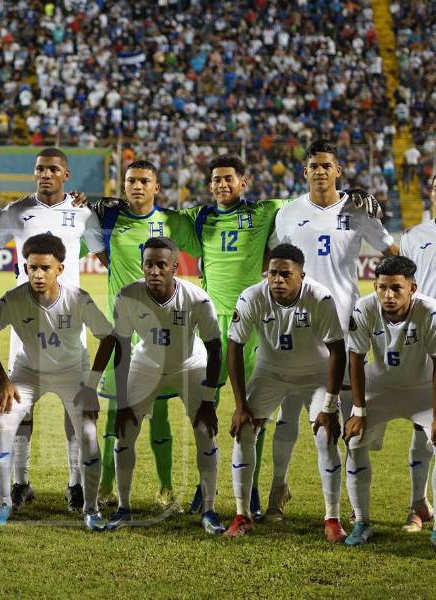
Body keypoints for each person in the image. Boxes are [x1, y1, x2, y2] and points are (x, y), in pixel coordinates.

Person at [267, 139, 397, 521]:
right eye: (314, 166)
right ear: (304, 172)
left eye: (327, 166)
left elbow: (393, 255)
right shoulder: (289, 213)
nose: (320, 172)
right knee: (288, 414)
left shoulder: (358, 211)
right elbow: (274, 262)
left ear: (338, 171)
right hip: (297, 326)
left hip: (343, 327)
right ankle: (279, 487)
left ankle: (348, 510)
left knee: (339, 418)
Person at [0, 147, 107, 512]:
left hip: (69, 322)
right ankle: (20, 483)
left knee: (77, 417)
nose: (45, 174)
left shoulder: (82, 212)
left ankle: (76, 484)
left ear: (66, 174)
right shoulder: (17, 211)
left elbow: (106, 257)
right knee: (21, 413)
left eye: (53, 169)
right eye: (40, 169)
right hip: (26, 327)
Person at [182, 155, 285, 519]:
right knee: (203, 409)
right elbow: (156, 216)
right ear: (210, 185)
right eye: (216, 180)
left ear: (244, 181)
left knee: (255, 414)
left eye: (229, 178)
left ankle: (252, 490)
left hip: (253, 324)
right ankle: (204, 487)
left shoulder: (265, 211)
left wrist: (349, 196)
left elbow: (312, 204)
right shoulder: (199, 218)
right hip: (211, 326)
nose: (222, 184)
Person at [95, 159, 202, 511]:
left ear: (157, 186)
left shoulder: (172, 221)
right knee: (116, 412)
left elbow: (208, 232)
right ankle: (106, 486)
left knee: (159, 412)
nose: (137, 186)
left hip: (163, 336)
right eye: (131, 181)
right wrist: (87, 203)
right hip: (122, 334)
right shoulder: (109, 219)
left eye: (144, 181)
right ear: (123, 185)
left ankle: (166, 487)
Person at [223, 244, 348, 542]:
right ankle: (242, 515)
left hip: (314, 376)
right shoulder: (252, 296)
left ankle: (332, 519)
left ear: (301, 276)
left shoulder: (319, 297)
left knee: (325, 435)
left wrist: (329, 406)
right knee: (244, 430)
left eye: (285, 274)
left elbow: (337, 351)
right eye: (272, 273)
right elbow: (234, 347)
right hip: (270, 373)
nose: (277, 279)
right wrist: (241, 405)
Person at [0, 233, 115, 530]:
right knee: (3, 426)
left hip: (72, 374)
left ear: (60, 269)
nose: (37, 274)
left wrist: (91, 386)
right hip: (28, 373)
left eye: (45, 268)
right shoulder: (13, 300)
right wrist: (3, 381)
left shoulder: (77, 299)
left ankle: (91, 508)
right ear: (25, 268)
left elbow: (109, 337)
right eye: (32, 267)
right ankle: (4, 502)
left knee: (86, 434)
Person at [108, 237, 223, 534]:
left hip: (189, 364)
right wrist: (122, 403)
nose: (155, 271)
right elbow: (120, 348)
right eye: (149, 264)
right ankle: (123, 507)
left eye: (162, 265)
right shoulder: (127, 295)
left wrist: (209, 401)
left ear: (174, 267)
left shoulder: (197, 299)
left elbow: (215, 349)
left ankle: (209, 511)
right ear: (142, 266)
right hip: (146, 364)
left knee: (205, 432)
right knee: (125, 433)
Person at [343, 256, 436, 546]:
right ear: (375, 286)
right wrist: (358, 409)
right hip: (380, 387)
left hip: (421, 389)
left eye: (396, 288)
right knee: (355, 442)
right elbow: (355, 359)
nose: (389, 295)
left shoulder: (430, 313)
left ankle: (429, 518)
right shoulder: (365, 308)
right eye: (383, 288)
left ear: (412, 288)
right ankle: (361, 522)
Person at [397, 175, 436, 532]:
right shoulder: (414, 237)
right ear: (431, 191)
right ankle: (418, 504)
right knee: (424, 426)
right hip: (425, 337)